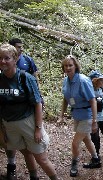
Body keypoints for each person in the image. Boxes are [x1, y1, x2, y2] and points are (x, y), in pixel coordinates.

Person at [0, 43, 58, 180]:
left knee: (41, 158)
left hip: (28, 122)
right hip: (9, 123)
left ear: (15, 60)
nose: (3, 61)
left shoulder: (25, 78)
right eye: (0, 58)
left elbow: (37, 103)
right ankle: (34, 177)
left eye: (7, 58)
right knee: (25, 152)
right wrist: (1, 129)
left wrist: (38, 128)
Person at [58, 55, 100, 177]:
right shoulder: (66, 81)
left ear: (75, 66)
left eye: (70, 65)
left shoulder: (83, 80)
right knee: (86, 138)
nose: (68, 67)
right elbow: (65, 99)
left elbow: (93, 100)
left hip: (87, 115)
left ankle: (74, 165)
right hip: (76, 114)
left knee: (75, 143)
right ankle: (96, 159)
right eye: (66, 65)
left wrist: (94, 120)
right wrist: (62, 115)